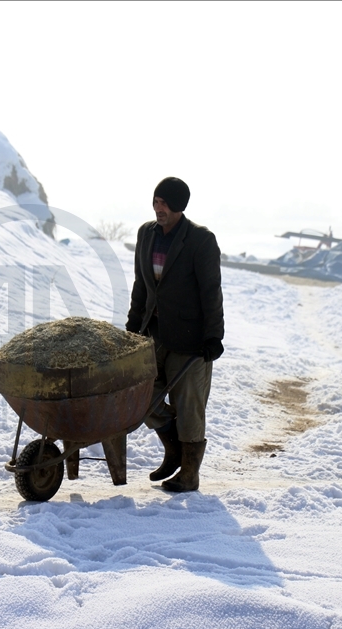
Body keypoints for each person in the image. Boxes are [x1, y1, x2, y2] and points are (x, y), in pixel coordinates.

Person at [125, 177, 225, 492]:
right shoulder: (147, 234)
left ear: (179, 206)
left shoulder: (200, 240)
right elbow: (142, 284)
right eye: (156, 202)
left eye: (165, 204)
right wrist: (133, 323)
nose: (159, 209)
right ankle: (174, 451)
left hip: (191, 339)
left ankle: (189, 473)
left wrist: (213, 336)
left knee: (189, 406)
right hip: (153, 335)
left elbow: (211, 291)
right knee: (142, 397)